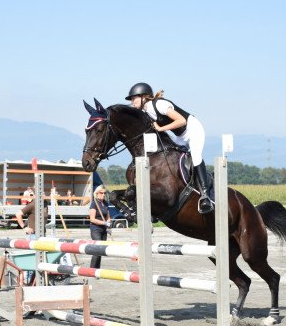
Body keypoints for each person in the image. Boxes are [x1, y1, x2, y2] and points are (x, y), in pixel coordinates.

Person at [126, 82, 213, 214]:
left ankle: (205, 195)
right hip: (180, 136)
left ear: (144, 97)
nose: (132, 102)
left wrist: (161, 128)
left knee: (195, 155)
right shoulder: (145, 111)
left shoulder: (159, 104)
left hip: (193, 129)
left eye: (134, 98)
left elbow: (181, 121)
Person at [88, 185, 111, 269]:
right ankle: (92, 269)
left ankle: (97, 270)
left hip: (104, 230)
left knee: (101, 251)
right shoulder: (94, 203)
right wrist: (104, 223)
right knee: (96, 250)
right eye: (101, 193)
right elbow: (92, 219)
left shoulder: (105, 203)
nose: (103, 194)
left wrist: (108, 225)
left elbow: (108, 217)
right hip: (95, 229)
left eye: (105, 193)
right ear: (97, 193)